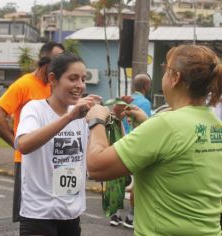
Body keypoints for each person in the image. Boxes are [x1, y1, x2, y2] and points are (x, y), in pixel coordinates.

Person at [86, 44, 222, 235]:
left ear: (175, 78)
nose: (164, 74)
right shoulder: (214, 123)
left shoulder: (165, 125)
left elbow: (97, 167)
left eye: (166, 69)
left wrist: (97, 120)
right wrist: (146, 123)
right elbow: (177, 158)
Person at [15, 52, 101, 235]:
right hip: (39, 215)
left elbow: (100, 152)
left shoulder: (83, 113)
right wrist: (69, 117)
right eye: (73, 78)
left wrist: (110, 120)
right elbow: (23, 144)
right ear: (53, 79)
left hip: (71, 215)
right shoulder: (35, 109)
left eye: (83, 79)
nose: (80, 85)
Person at [0, 41, 65, 222]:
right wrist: (18, 143)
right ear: (46, 64)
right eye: (59, 63)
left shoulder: (54, 87)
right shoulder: (23, 85)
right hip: (28, 162)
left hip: (53, 161)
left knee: (57, 215)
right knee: (32, 219)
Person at [111, 74, 152, 228]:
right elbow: (144, 127)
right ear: (146, 86)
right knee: (137, 181)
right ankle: (130, 216)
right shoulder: (145, 103)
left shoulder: (125, 101)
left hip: (120, 142)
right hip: (136, 144)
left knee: (119, 180)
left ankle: (115, 214)